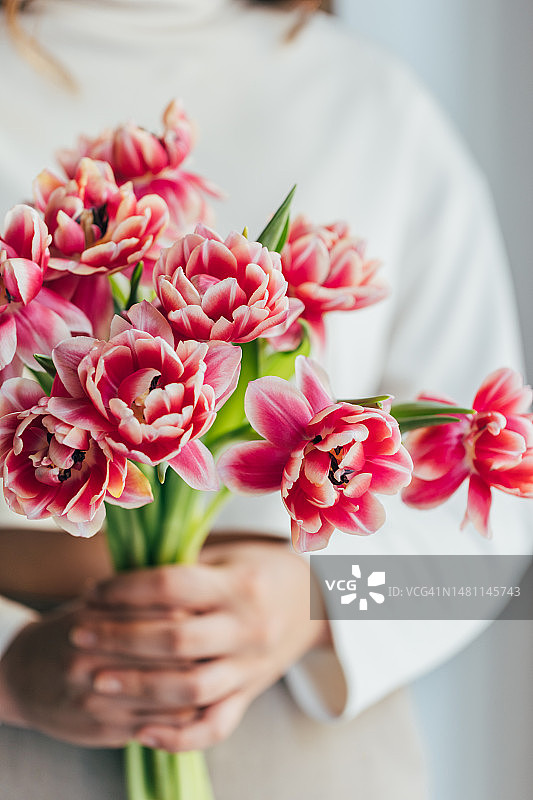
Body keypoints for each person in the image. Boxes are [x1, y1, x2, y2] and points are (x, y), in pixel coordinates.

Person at [0, 1, 530, 798]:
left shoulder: (373, 102)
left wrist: (311, 603)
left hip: (306, 744)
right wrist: (10, 670)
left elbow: (494, 555)